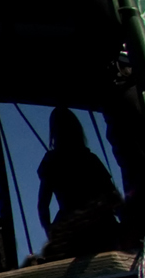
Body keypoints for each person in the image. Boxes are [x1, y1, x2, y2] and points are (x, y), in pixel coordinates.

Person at [31, 106, 124, 263]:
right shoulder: (90, 160)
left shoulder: (52, 161)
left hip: (73, 227)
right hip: (101, 226)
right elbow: (113, 196)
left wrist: (51, 233)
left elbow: (43, 205)